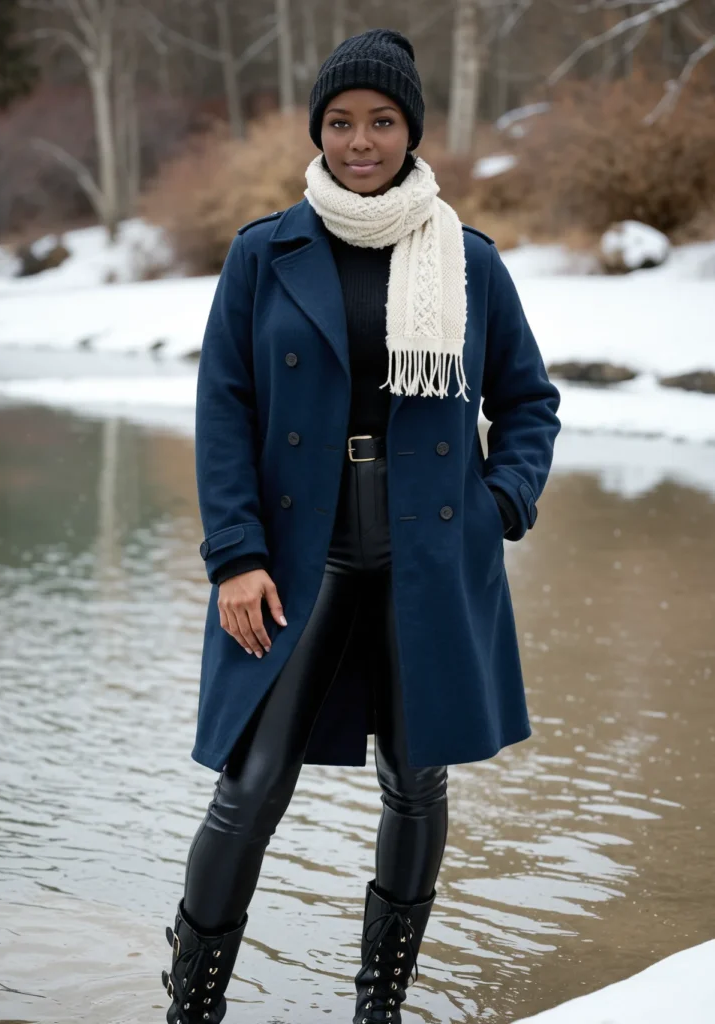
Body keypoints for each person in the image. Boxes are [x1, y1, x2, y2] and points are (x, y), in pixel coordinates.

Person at [160, 27, 562, 1024]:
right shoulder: (265, 252)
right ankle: (193, 1000)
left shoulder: (464, 258)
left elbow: (527, 401)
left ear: (410, 132)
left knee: (415, 784)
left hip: (426, 552)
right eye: (340, 122)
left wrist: (498, 503)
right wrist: (235, 556)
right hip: (298, 554)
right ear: (318, 131)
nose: (358, 141)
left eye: (379, 121)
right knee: (249, 787)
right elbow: (224, 411)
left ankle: (377, 1003)